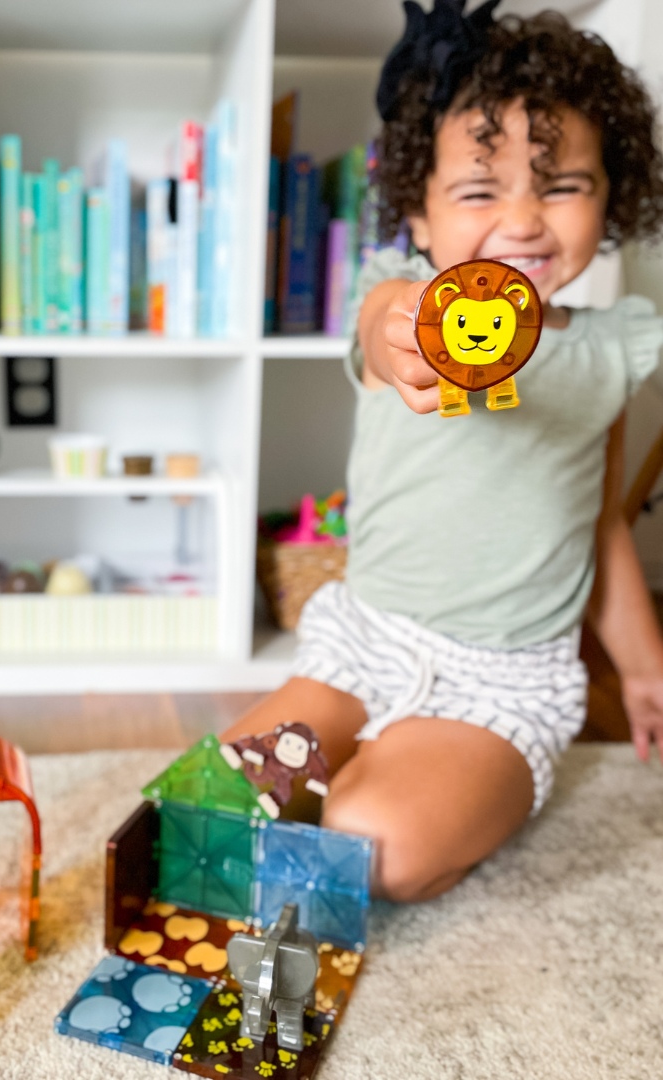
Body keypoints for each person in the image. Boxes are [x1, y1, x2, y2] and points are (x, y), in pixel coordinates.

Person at [222, 0, 663, 903]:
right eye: (479, 191)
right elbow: (386, 329)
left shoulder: (610, 350)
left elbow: (599, 521)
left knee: (372, 842)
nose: (524, 220)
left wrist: (644, 663)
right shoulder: (401, 299)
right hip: (362, 650)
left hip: (502, 682)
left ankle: (427, 782)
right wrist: (412, 342)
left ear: (611, 196)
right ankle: (380, 758)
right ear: (418, 215)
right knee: (219, 804)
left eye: (562, 185)